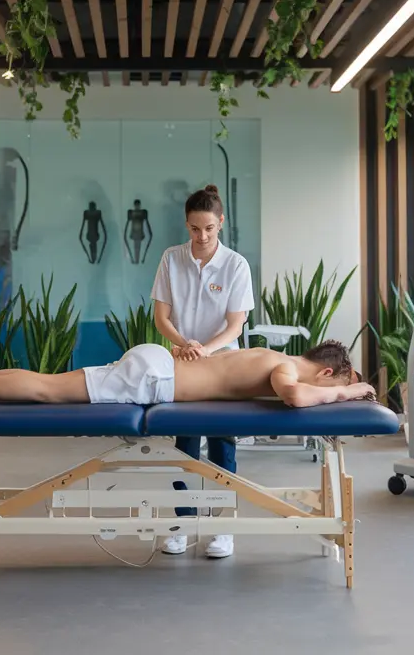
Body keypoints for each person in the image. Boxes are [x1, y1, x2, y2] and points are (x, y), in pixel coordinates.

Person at [150, 184, 254, 559]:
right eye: (195, 228)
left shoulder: (236, 264)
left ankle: (223, 529)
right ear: (187, 225)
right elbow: (161, 316)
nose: (202, 235)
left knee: (223, 443)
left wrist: (206, 349)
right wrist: (182, 344)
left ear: (221, 222)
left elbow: (235, 325)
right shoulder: (171, 259)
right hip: (183, 363)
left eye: (209, 227)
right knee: (185, 446)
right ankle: (183, 524)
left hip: (224, 364)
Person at [0, 339, 375, 410]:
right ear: (329, 370)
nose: (334, 388)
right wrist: (347, 394)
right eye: (336, 381)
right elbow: (293, 397)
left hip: (154, 368)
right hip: (153, 380)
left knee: (49, 379)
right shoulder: (287, 367)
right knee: (47, 390)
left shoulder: (271, 352)